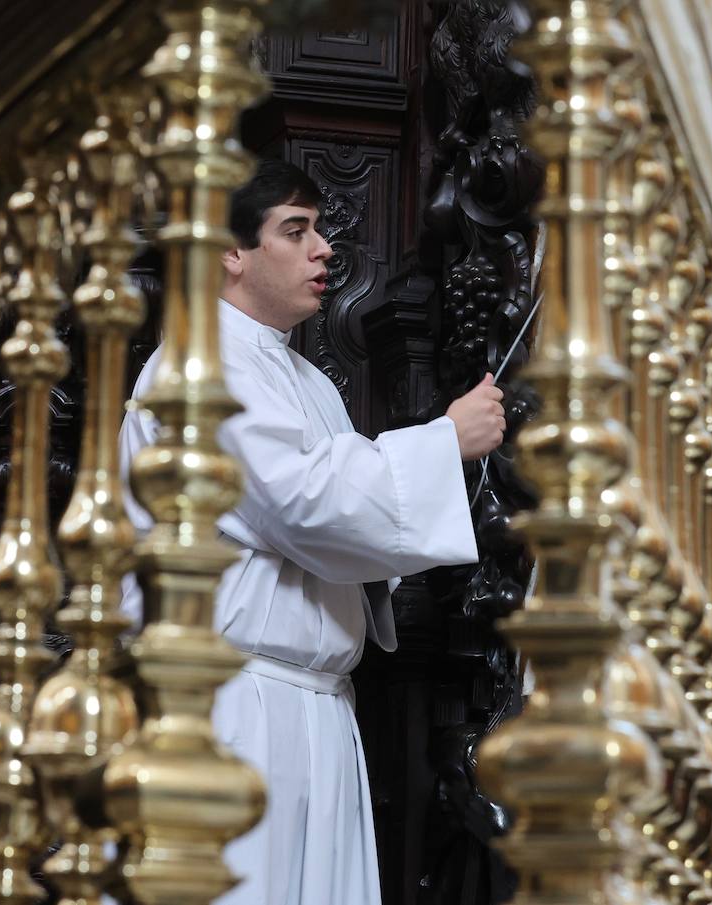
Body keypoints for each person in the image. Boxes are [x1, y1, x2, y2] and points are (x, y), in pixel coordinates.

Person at [118, 159, 506, 905]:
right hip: (236, 709)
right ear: (230, 253)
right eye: (295, 231)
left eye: (320, 229)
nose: (325, 248)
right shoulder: (201, 367)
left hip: (313, 702)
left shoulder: (306, 380)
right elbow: (301, 505)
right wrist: (440, 442)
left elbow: (338, 533)